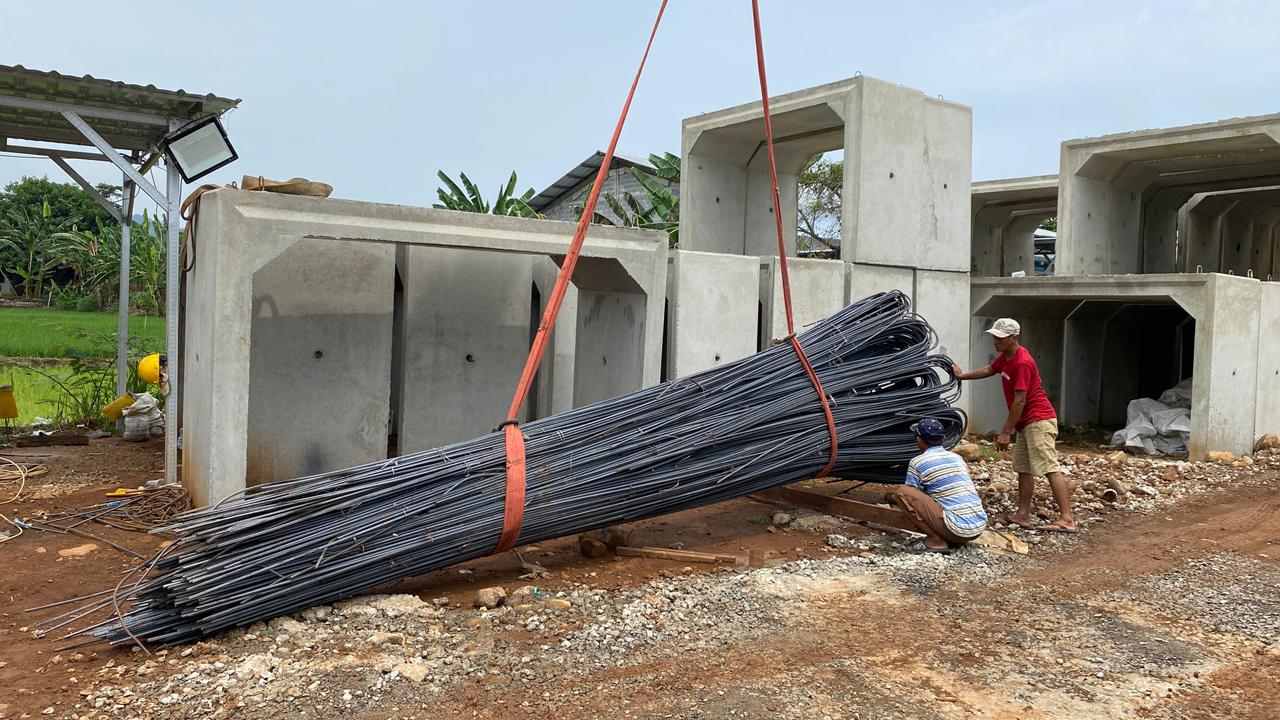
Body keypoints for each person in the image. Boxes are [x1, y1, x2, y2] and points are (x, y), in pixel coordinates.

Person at [952, 318, 1077, 532]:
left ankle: (1067, 518)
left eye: (1000, 338)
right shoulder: (1006, 357)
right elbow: (989, 370)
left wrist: (1005, 432)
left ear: (1013, 337)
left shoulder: (1022, 362)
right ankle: (1023, 514)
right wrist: (962, 376)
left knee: (1049, 467)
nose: (995, 341)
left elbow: (1020, 401)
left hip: (1038, 420)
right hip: (1025, 423)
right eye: (994, 337)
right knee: (1024, 469)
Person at [886, 418, 988, 553]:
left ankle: (935, 540)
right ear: (943, 439)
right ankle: (951, 536)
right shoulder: (957, 458)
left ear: (919, 440)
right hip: (978, 528)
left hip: (957, 530)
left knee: (902, 492)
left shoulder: (918, 462)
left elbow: (910, 496)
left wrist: (891, 497)